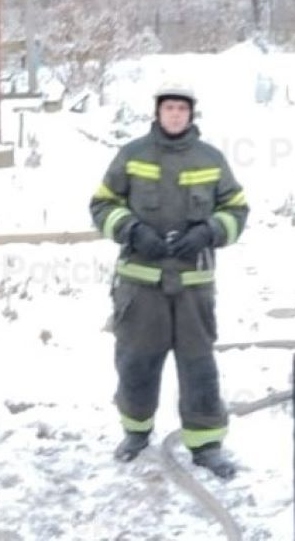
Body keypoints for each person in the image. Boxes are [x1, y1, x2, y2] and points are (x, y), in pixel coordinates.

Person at [88, 82, 250, 479]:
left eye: (182, 108)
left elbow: (237, 209)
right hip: (140, 286)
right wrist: (132, 230)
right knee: (136, 363)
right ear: (157, 112)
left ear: (190, 114)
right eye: (169, 108)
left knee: (198, 367)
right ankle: (135, 433)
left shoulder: (211, 159)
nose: (175, 114)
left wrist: (209, 231)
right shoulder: (132, 155)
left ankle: (206, 444)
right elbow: (102, 204)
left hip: (194, 287)